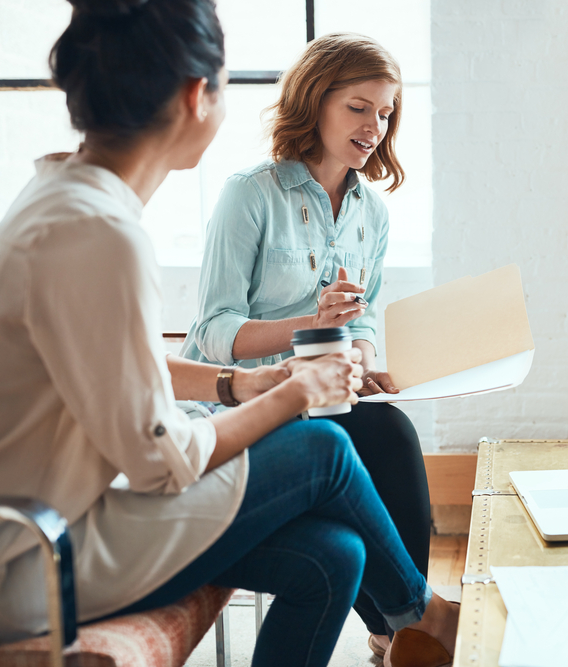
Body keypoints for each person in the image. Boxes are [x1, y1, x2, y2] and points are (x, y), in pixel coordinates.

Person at [0, 2, 457, 666]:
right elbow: (160, 459)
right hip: (25, 556)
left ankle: (417, 618)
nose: (375, 125)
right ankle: (427, 617)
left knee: (334, 557)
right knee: (320, 446)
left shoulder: (67, 202)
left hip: (42, 527)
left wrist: (247, 382)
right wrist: (289, 395)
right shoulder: (100, 232)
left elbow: (123, 366)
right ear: (198, 95)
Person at [179, 33, 430, 657]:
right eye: (359, 106)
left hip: (330, 398)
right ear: (315, 101)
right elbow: (212, 333)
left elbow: (364, 318)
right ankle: (405, 627)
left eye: (386, 111)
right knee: (378, 441)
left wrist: (365, 362)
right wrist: (307, 325)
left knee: (389, 430)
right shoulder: (251, 194)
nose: (375, 125)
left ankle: (397, 629)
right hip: (248, 406)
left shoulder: (372, 211)